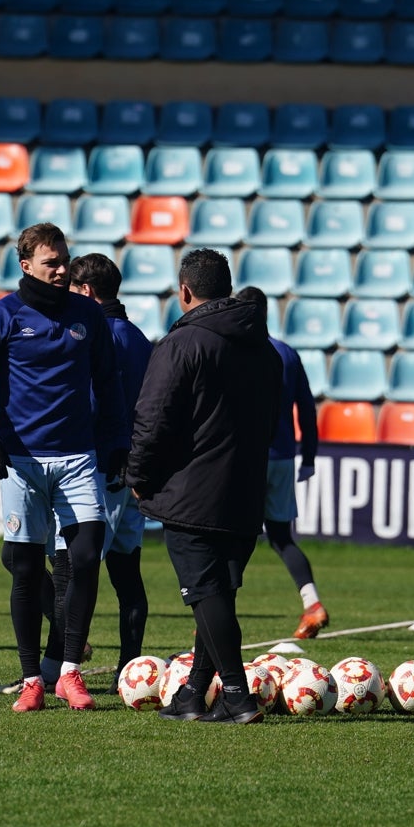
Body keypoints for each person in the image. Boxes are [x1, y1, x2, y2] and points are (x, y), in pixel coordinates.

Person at [0, 222, 127, 713]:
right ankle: (33, 678)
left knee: (88, 555)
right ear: (26, 265)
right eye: (51, 262)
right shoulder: (0, 315)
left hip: (77, 459)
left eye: (64, 260)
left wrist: (117, 442)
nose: (60, 269)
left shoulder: (88, 316)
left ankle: (70, 672)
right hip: (21, 462)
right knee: (26, 569)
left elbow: (109, 381)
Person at [124, 248, 282, 724]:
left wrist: (139, 476)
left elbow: (153, 418)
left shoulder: (182, 343)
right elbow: (271, 422)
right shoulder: (266, 348)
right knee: (218, 593)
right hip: (245, 489)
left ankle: (236, 696)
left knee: (205, 593)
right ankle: (193, 695)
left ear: (185, 291)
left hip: (193, 492)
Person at [66, 253, 153, 688]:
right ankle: (129, 667)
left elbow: (97, 405)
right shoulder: (139, 337)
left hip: (99, 467)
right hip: (130, 470)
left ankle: (63, 662)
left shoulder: (100, 336)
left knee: (72, 568)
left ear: (86, 291)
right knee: (127, 574)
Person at [234, 286, 328, 640]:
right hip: (284, 457)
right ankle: (312, 603)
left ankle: (212, 618)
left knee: (234, 539)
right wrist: (309, 457)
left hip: (247, 458)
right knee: (280, 536)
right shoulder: (287, 353)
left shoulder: (240, 351)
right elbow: (306, 408)